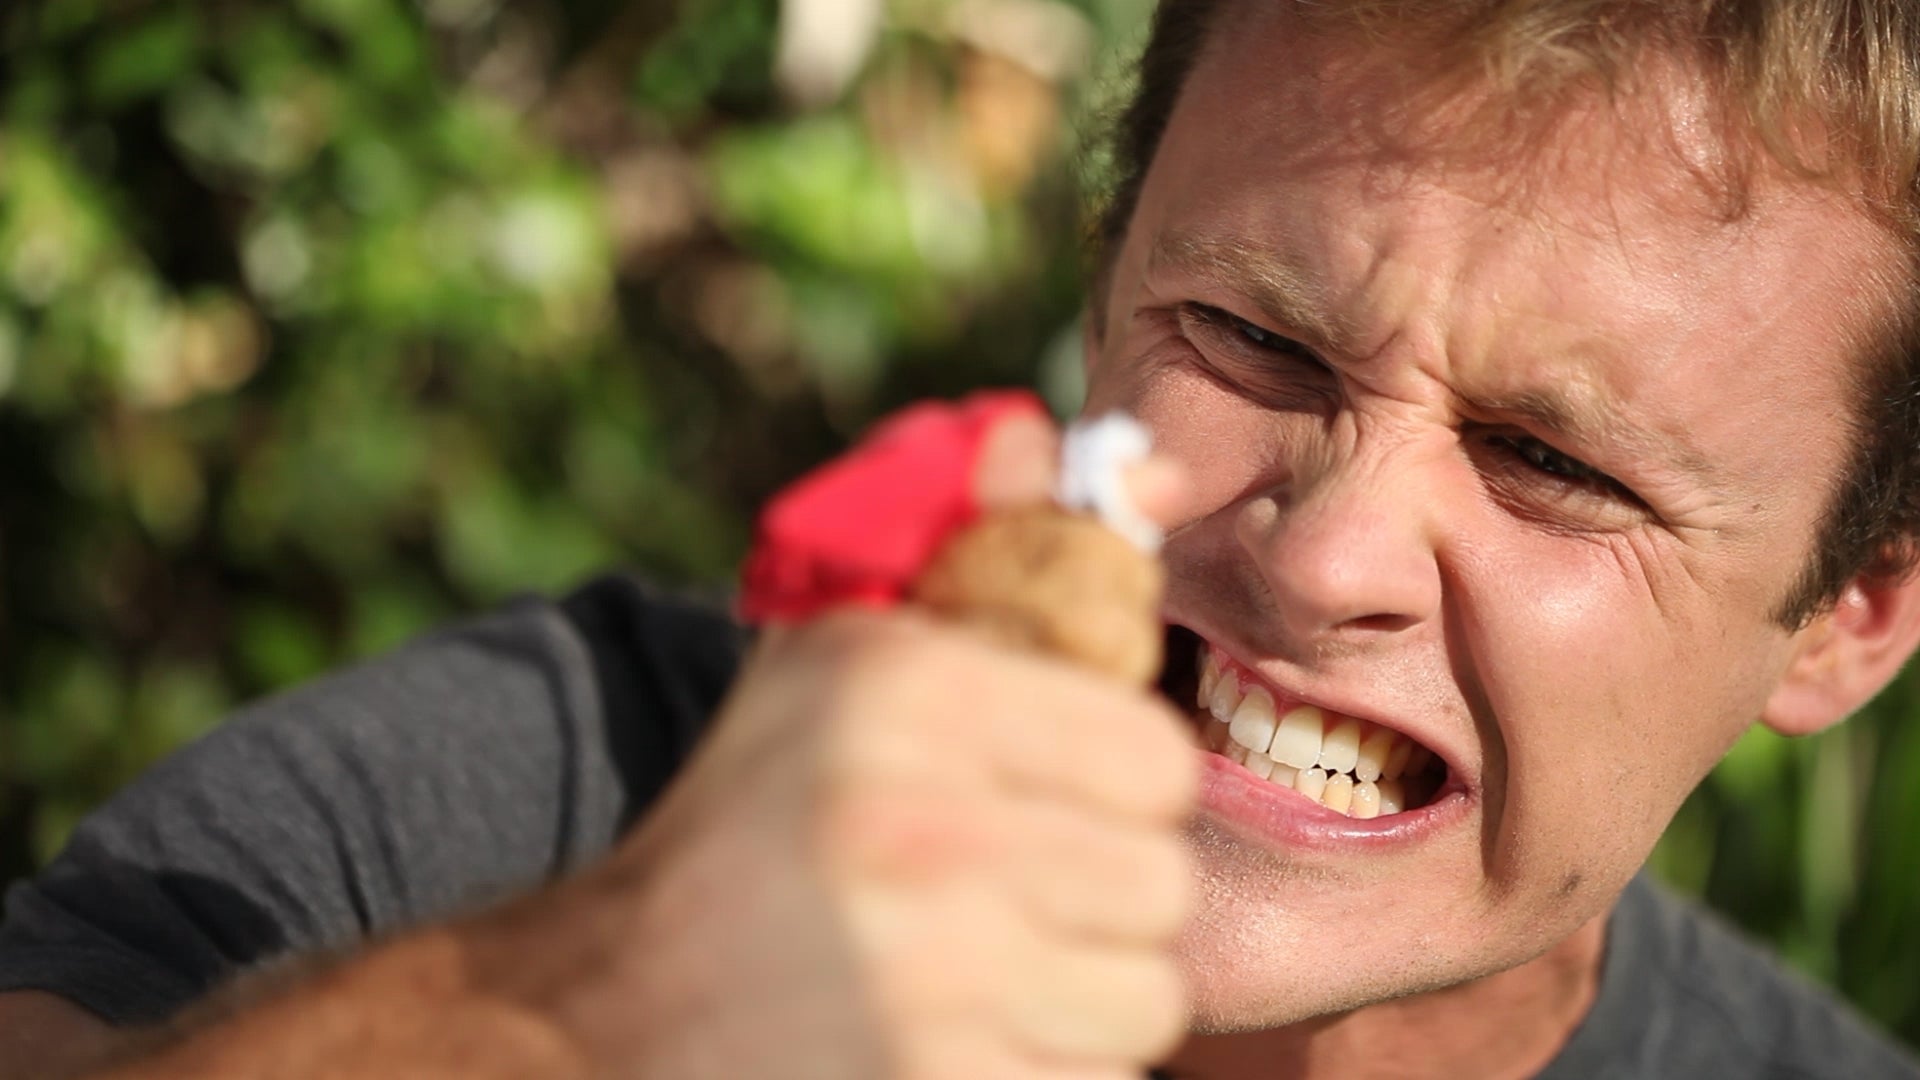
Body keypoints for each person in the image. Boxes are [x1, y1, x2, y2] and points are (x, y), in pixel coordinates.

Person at [5, 0, 1920, 1076]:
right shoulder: (523, 807)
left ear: (1848, 612)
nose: (1330, 553)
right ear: (1103, 306)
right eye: (1251, 337)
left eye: (1554, 464)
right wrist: (579, 999)